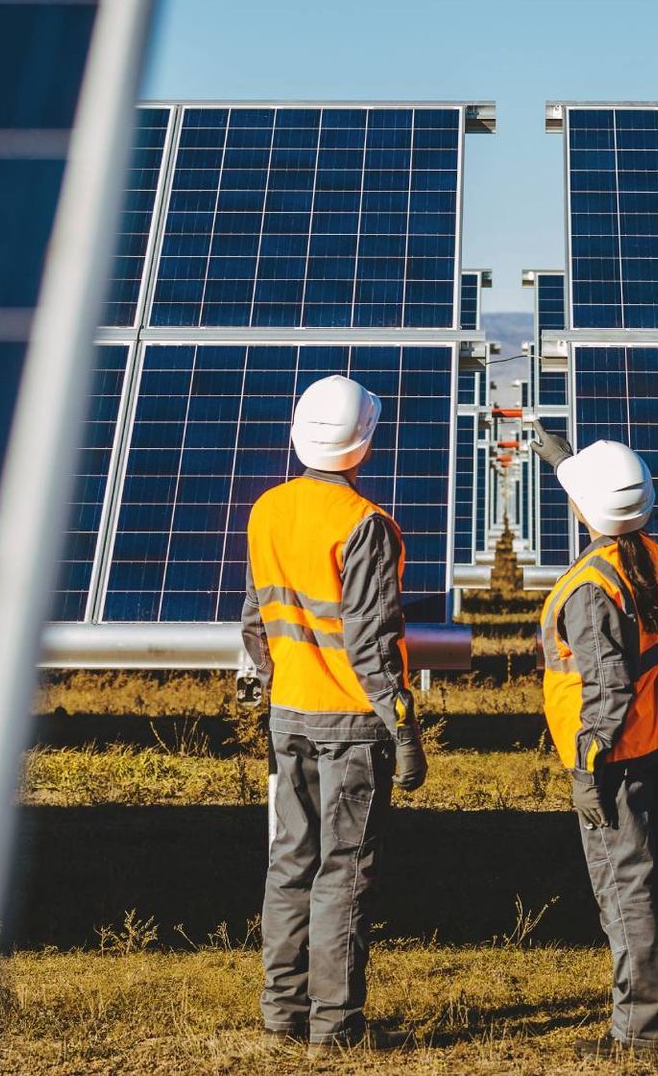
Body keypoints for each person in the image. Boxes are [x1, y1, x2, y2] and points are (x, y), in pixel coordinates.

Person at [239, 374, 428, 1055]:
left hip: (288, 713)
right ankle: (335, 1027)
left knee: (289, 863)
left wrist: (277, 682)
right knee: (342, 872)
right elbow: (374, 644)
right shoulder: (364, 524)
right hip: (351, 724)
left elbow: (255, 620)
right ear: (363, 442)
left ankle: (281, 1014)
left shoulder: (267, 509)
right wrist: (405, 729)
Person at [533, 427, 658, 1059]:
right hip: (654, 739)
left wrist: (586, 770)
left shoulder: (592, 588)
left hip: (613, 757)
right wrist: (569, 463)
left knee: (626, 890)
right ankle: (642, 1018)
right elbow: (611, 507)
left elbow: (606, 689)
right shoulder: (642, 551)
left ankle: (637, 1037)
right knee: (645, 880)